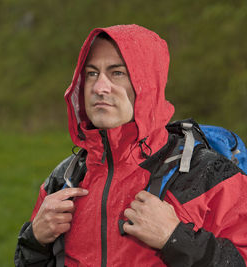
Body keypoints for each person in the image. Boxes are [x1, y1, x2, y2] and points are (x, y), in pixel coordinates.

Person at [14, 24, 247, 266]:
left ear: (148, 83)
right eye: (92, 73)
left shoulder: (209, 177)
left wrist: (176, 239)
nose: (99, 87)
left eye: (117, 73)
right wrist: (35, 241)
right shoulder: (64, 181)